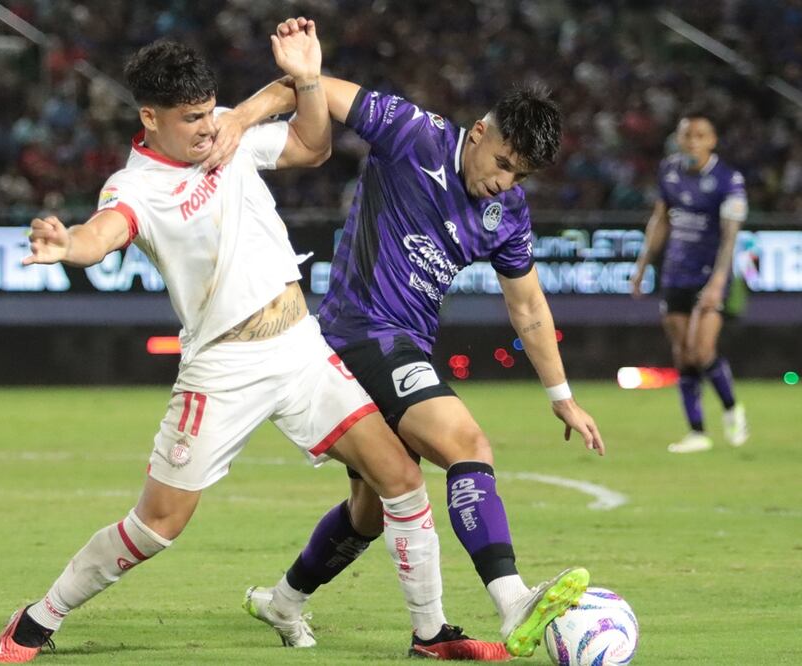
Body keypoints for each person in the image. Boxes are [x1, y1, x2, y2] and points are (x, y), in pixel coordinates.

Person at [0, 20, 505, 663]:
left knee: (400, 478)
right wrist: (70, 245)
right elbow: (104, 233)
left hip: (301, 349)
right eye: (190, 119)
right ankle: (39, 617)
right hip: (223, 368)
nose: (206, 128)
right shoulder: (135, 186)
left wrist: (308, 80)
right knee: (157, 526)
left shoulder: (226, 136)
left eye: (209, 111)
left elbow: (310, 146)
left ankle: (431, 635)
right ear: (149, 118)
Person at [211, 22, 606, 660]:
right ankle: (512, 599)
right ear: (480, 131)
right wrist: (238, 119)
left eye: (521, 175)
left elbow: (528, 305)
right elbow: (308, 86)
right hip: (359, 332)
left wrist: (562, 395)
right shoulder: (414, 132)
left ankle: (283, 601)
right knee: (467, 444)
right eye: (504, 163)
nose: (505, 182)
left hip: (403, 346)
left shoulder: (507, 214)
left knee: (369, 510)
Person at [630, 111, 750, 453]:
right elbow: (661, 219)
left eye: (700, 136)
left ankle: (732, 409)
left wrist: (718, 281)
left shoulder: (728, 179)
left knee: (701, 350)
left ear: (712, 141)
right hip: (675, 272)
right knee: (683, 354)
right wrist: (642, 266)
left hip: (709, 274)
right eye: (687, 135)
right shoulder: (669, 171)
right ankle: (697, 432)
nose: (693, 142)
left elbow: (730, 236)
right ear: (679, 140)